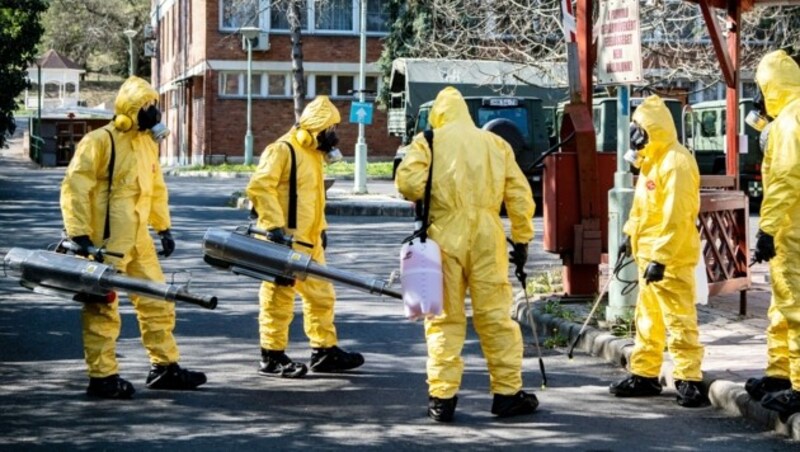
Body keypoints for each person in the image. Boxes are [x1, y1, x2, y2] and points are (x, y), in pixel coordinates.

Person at [395, 87, 538, 422]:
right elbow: (519, 195)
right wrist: (522, 239)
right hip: (488, 235)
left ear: (438, 114)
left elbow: (408, 185)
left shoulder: (428, 140)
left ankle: (441, 398)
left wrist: (436, 186)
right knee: (495, 317)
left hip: (443, 235)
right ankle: (507, 394)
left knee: (444, 318)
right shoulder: (495, 143)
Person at [60, 76, 206, 399]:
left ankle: (164, 367)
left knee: (158, 300)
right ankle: (103, 377)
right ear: (130, 109)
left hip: (139, 238)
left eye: (154, 105)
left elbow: (155, 190)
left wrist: (163, 227)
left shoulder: (146, 145)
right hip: (106, 242)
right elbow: (75, 186)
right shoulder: (101, 141)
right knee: (103, 308)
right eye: (147, 106)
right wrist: (79, 234)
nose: (153, 112)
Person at [246, 96, 364, 378]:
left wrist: (321, 229)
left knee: (322, 296)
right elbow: (260, 186)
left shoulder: (313, 155)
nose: (334, 135)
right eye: (330, 128)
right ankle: (271, 356)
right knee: (278, 299)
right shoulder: (282, 150)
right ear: (315, 128)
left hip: (309, 242)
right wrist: (274, 227)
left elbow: (313, 199)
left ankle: (324, 351)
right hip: (283, 241)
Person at [609, 95, 708, 408]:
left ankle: (688, 378)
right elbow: (643, 209)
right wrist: (629, 235)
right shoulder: (652, 161)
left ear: (652, 128)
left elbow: (677, 215)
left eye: (638, 127)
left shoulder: (675, 162)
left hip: (671, 257)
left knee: (679, 318)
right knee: (647, 318)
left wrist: (662, 257)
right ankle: (645, 373)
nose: (635, 134)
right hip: (649, 254)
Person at [743, 49, 800, 419]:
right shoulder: (788, 119)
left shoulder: (790, 122)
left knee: (794, 306)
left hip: (792, 229)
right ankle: (781, 374)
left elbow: (784, 180)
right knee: (781, 306)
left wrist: (766, 230)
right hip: (790, 229)